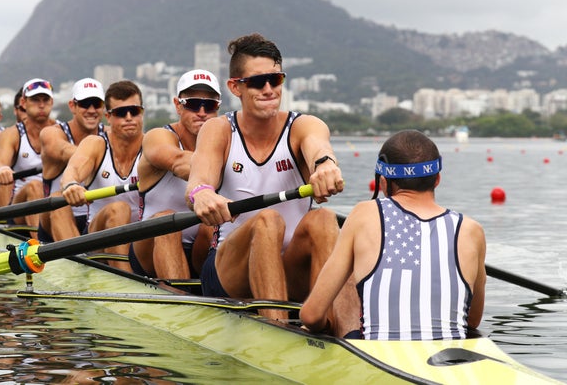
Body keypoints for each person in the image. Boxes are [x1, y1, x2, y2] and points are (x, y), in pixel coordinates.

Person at [186, 33, 359, 333]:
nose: (268, 89)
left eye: (275, 80)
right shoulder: (218, 130)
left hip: (290, 267)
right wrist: (202, 195)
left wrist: (325, 166)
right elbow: (198, 181)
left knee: (323, 219)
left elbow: (319, 148)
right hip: (230, 271)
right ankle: (277, 332)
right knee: (268, 220)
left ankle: (345, 336)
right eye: (257, 82)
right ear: (235, 87)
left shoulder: (304, 125)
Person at [301, 130, 487, 340]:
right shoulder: (472, 230)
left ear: (382, 183)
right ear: (437, 179)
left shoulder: (364, 214)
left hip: (376, 360)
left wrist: (325, 329)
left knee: (351, 264)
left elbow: (311, 315)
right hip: (449, 361)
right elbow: (472, 321)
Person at [130, 69, 221, 279]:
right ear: (177, 105)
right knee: (166, 220)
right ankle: (180, 301)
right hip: (150, 250)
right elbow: (179, 162)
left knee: (215, 225)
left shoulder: (225, 139)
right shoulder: (158, 137)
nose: (201, 111)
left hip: (201, 247)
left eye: (209, 105)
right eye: (191, 103)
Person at [61, 80, 143, 271]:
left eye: (135, 111)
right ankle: (127, 285)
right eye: (121, 113)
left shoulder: (152, 145)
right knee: (119, 209)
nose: (129, 117)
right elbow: (73, 169)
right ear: (108, 117)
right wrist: (71, 185)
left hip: (139, 240)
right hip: (97, 238)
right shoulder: (96, 144)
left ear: (142, 113)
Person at [38, 78, 107, 242]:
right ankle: (78, 263)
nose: (91, 110)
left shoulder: (110, 134)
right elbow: (62, 151)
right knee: (56, 197)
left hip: (93, 220)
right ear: (72, 106)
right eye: (85, 104)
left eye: (96, 104)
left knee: (119, 209)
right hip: (56, 217)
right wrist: (98, 158)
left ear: (103, 108)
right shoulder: (52, 133)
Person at [0, 78, 57, 237]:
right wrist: (2, 169)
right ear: (23, 102)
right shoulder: (12, 134)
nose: (41, 105)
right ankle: (41, 247)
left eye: (45, 100)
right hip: (18, 207)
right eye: (35, 99)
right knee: (35, 186)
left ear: (51, 102)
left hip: (53, 203)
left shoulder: (61, 130)